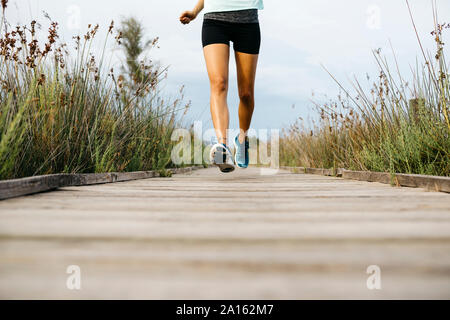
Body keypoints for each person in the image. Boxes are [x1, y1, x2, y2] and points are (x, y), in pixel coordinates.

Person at [180, 0, 263, 173]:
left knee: (246, 93)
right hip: (214, 20)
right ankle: (222, 147)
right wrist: (195, 11)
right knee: (219, 83)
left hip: (247, 20)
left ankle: (241, 138)